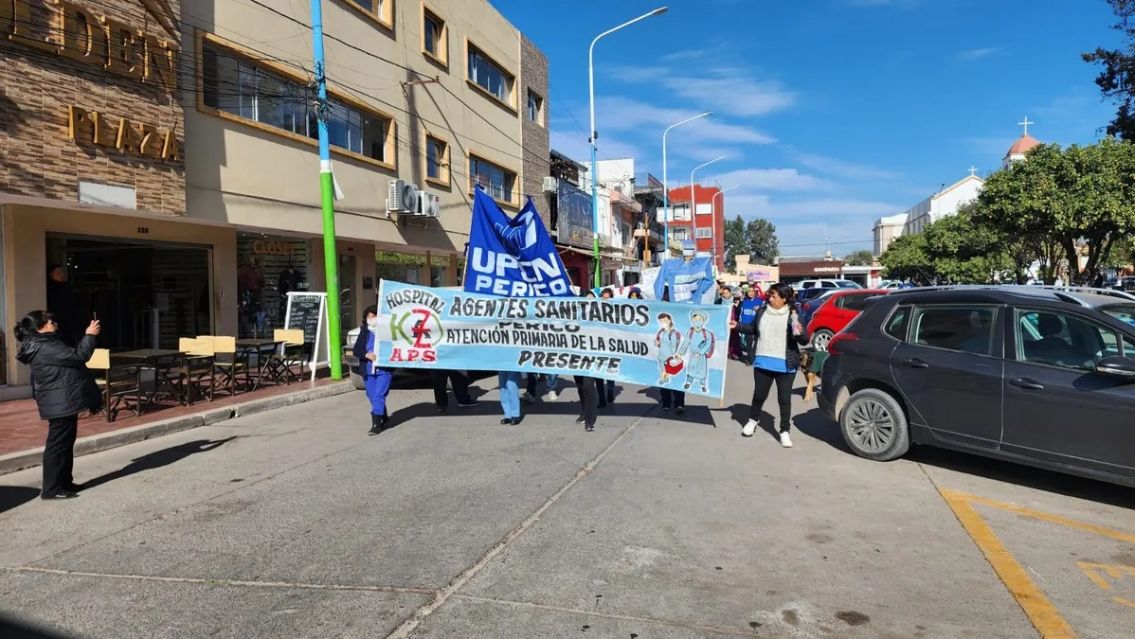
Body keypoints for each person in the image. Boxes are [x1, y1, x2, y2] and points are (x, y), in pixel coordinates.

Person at [14, 310, 102, 499]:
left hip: (62, 400)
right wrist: (90, 335)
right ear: (40, 328)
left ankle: (64, 483)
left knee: (65, 443)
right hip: (59, 402)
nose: (55, 323)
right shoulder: (44, 347)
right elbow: (80, 356)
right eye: (50, 321)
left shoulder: (45, 343)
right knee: (58, 445)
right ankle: (52, 489)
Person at [735, 283, 808, 448]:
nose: (770, 298)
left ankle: (784, 431)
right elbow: (752, 329)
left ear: (784, 299)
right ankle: (753, 421)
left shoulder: (793, 314)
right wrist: (737, 326)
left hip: (785, 364)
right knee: (759, 395)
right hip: (763, 361)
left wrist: (798, 330)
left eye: (774, 296)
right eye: (770, 295)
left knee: (784, 399)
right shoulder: (762, 311)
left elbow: (804, 340)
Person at [353, 306, 392, 435]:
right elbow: (356, 350)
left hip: (383, 370)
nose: (371, 319)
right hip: (368, 370)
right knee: (371, 395)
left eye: (373, 316)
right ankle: (382, 414)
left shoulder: (387, 330)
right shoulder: (364, 331)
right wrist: (366, 354)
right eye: (368, 317)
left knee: (379, 394)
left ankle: (376, 425)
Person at [45, 265, 80, 346]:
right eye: (58, 272)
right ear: (51, 274)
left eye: (62, 272)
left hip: (68, 321)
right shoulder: (48, 288)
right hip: (56, 320)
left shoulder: (65, 287)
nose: (62, 275)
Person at [737, 286, 763, 362]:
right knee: (748, 343)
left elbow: (764, 311)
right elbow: (739, 312)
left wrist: (759, 309)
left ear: (755, 292)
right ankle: (750, 358)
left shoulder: (759, 301)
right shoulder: (743, 301)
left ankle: (756, 357)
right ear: (746, 292)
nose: (751, 293)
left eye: (752, 291)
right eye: (749, 291)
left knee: (756, 343)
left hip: (756, 325)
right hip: (746, 325)